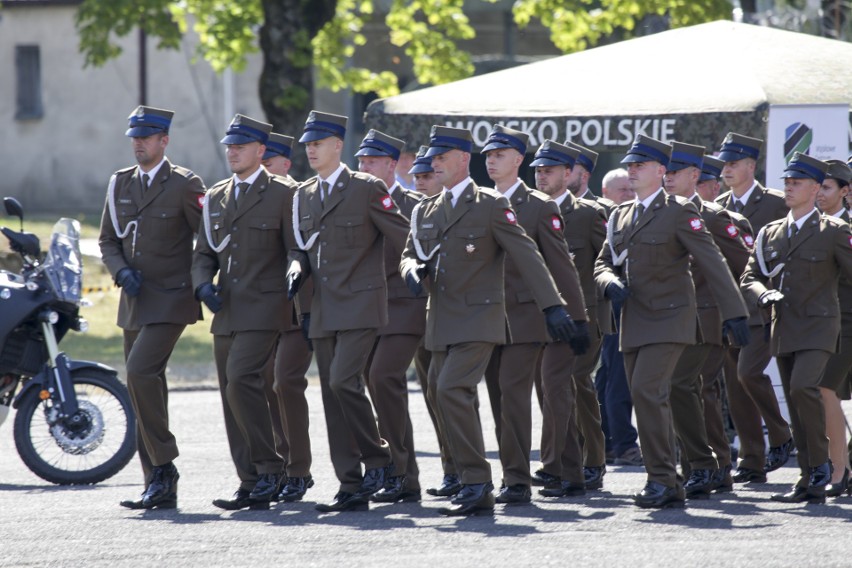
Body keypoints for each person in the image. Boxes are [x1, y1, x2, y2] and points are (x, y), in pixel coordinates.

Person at [400, 125, 582, 516]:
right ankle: (470, 478)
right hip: (442, 319)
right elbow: (409, 252)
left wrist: (556, 308)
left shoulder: (489, 204)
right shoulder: (425, 209)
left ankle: (480, 481)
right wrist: (410, 269)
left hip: (483, 317)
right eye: (432, 158)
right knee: (439, 392)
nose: (435, 164)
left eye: (442, 157)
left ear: (463, 160)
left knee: (455, 389)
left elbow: (529, 255)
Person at [594, 135, 750, 509]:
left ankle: (662, 478)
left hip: (670, 320)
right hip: (633, 322)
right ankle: (668, 480)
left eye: (639, 166)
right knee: (645, 396)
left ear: (660, 170)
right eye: (629, 166)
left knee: (649, 392)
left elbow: (712, 262)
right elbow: (603, 262)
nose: (632, 171)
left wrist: (736, 313)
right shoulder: (620, 214)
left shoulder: (680, 211)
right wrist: (608, 281)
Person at [287, 111, 410, 513]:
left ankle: (378, 457)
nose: (310, 149)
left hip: (361, 302)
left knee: (343, 382)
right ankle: (351, 485)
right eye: (307, 143)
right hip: (323, 305)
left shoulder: (366, 187)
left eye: (317, 143)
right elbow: (301, 248)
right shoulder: (303, 194)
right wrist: (295, 268)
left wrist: (414, 271)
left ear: (337, 146)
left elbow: (403, 234)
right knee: (332, 396)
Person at [101, 105, 206, 510]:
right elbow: (109, 239)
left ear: (164, 140)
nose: (138, 143)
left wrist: (201, 282)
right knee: (147, 386)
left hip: (172, 297)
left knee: (140, 372)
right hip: (135, 299)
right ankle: (157, 484)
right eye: (134, 137)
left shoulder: (184, 184)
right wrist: (120, 270)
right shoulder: (119, 184)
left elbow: (207, 239)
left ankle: (164, 466)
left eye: (146, 137)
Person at [480, 127, 589, 504]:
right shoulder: (478, 202)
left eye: (500, 154)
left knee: (514, 395)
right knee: (498, 399)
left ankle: (516, 479)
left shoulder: (541, 206)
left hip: (528, 319)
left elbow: (562, 267)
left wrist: (577, 318)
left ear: (518, 160)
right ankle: (571, 472)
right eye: (488, 155)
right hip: (487, 317)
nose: (492, 160)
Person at [191, 114, 292, 511]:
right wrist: (202, 284)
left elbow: (296, 249)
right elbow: (204, 252)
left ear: (260, 150)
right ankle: (250, 481)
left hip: (267, 306)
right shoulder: (216, 195)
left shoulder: (284, 193)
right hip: (228, 308)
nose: (232, 152)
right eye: (229, 146)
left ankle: (271, 469)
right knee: (231, 393)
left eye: (241, 146)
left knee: (241, 379)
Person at [741, 153, 852, 504]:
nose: (788, 188)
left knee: (806, 387)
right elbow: (750, 276)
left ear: (816, 187)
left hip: (821, 328)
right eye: (786, 182)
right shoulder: (770, 232)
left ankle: (821, 466)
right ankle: (809, 478)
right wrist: (763, 293)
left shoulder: (835, 232)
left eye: (797, 183)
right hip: (783, 326)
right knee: (794, 399)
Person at [663, 141, 751, 499]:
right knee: (694, 393)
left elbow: (746, 268)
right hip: (674, 322)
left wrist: (735, 314)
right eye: (664, 172)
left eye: (674, 173)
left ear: (694, 175)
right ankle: (711, 467)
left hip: (709, 322)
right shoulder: (662, 214)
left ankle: (704, 464)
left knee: (682, 387)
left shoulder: (714, 218)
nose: (667, 179)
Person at [715, 132, 793, 484]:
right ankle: (752, 458)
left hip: (767, 306)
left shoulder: (776, 203)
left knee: (748, 374)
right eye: (724, 164)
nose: (726, 170)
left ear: (751, 165)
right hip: (731, 309)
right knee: (735, 385)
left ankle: (780, 434)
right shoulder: (717, 206)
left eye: (733, 163)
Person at [531, 140, 606, 498]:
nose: (542, 176)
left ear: (569, 173)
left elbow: (608, 261)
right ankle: (576, 470)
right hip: (536, 318)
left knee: (567, 382)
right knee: (555, 390)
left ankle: (565, 464)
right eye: (538, 170)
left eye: (550, 170)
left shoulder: (589, 215)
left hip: (583, 319)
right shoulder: (526, 210)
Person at [355, 129, 425, 503]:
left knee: (384, 378)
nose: (364, 167)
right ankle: (388, 469)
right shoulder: (353, 199)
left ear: (392, 165)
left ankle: (402, 473)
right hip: (367, 307)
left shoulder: (412, 204)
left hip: (403, 304)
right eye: (361, 161)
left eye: (371, 161)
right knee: (361, 383)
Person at [257, 132, 316, 503]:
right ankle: (280, 463)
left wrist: (307, 310)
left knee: (285, 381)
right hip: (266, 311)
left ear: (285, 164)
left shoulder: (299, 196)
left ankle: (299, 470)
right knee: (264, 383)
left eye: (268, 163)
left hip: (299, 311)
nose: (264, 171)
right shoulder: (258, 196)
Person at [407, 146, 458, 496]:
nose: (423, 182)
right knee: (433, 393)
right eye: (419, 177)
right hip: (424, 316)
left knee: (452, 391)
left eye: (428, 175)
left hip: (464, 314)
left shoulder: (460, 209)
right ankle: (451, 469)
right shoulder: (418, 212)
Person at [593, 168, 643, 469]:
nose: (628, 194)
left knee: (607, 376)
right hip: (612, 304)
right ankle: (623, 443)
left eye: (630, 188)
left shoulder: (632, 216)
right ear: (605, 193)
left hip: (627, 304)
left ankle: (609, 440)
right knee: (617, 377)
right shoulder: (607, 218)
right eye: (621, 189)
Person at [814, 159, 852, 496]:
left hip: (848, 321)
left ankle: (840, 471)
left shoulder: (846, 228)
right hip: (825, 324)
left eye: (827, 187)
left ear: (845, 192)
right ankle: (839, 470)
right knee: (826, 391)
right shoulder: (810, 226)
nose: (820, 194)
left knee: (827, 391)